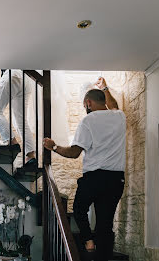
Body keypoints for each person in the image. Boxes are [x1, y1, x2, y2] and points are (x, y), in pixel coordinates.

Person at [43, 77, 125, 261]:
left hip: (94, 178)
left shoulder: (87, 122)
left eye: (84, 105)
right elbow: (113, 104)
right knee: (105, 225)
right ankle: (102, 256)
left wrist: (54, 147)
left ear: (88, 103)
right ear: (103, 100)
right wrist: (104, 88)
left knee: (79, 209)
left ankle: (88, 240)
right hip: (116, 179)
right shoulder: (119, 117)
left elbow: (74, 153)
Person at [0, 69, 37, 167]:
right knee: (20, 121)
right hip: (26, 79)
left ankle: (12, 142)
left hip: (11, 75)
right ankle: (31, 156)